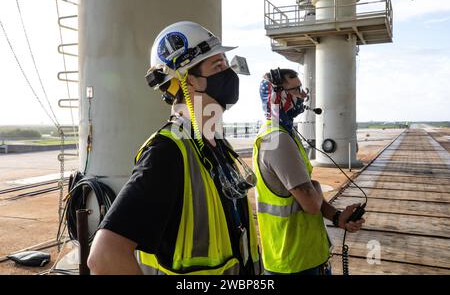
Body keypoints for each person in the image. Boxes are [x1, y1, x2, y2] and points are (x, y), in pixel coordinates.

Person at [88, 21, 261, 275]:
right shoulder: (166, 153)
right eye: (219, 65)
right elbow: (104, 257)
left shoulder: (216, 144)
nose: (229, 73)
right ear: (190, 82)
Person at [253, 68, 365, 275]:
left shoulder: (286, 135)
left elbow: (307, 197)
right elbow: (312, 204)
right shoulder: (277, 141)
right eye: (296, 90)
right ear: (278, 95)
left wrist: (337, 216)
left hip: (304, 258)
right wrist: (314, 186)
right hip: (295, 263)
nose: (303, 96)